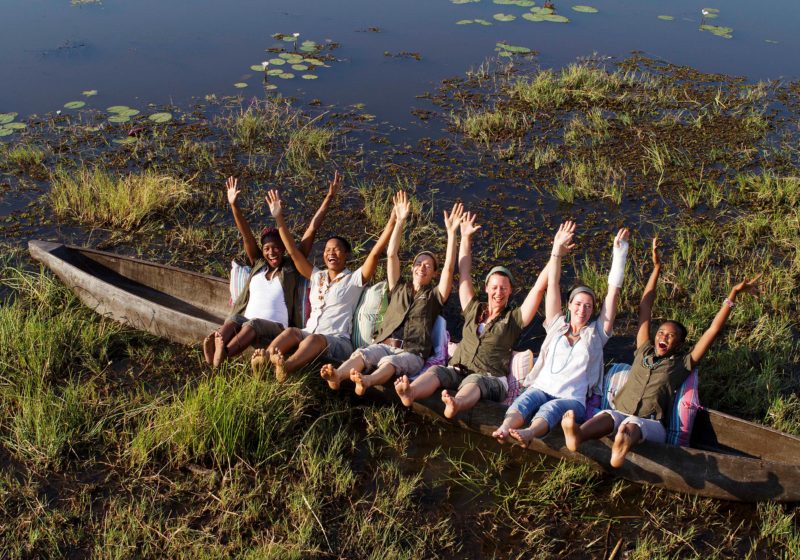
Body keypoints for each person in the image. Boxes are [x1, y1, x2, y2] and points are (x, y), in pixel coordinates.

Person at [561, 237, 761, 467]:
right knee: (607, 417)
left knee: (629, 428)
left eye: (670, 335)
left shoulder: (683, 363)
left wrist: (733, 295)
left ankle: (620, 448)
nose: (663, 337)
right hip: (620, 411)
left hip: (650, 424)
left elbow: (713, 330)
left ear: (678, 343)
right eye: (661, 332)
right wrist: (656, 269)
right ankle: (578, 434)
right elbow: (645, 307)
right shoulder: (643, 349)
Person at [394, 212, 549, 419]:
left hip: (490, 379)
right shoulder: (473, 308)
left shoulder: (513, 319)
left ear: (510, 291)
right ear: (486, 288)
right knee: (438, 372)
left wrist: (555, 253)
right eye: (494, 287)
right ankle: (410, 392)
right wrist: (465, 237)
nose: (498, 292)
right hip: (459, 369)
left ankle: (456, 403)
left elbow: (538, 289)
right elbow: (464, 273)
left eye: (504, 288)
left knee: (474, 382)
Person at [492, 221, 630, 446]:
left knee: (552, 407)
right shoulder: (557, 325)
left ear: (593, 310)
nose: (582, 310)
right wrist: (557, 249)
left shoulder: (596, 334)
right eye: (577, 304)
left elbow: (613, 294)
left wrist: (619, 254)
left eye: (588, 306)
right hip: (541, 386)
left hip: (572, 399)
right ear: (569, 306)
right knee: (527, 398)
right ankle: (504, 428)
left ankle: (529, 434)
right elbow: (553, 282)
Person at [319, 192, 463, 393]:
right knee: (363, 354)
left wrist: (452, 233)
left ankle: (367, 381)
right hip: (384, 343)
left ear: (434, 273)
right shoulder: (398, 287)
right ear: (412, 268)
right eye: (419, 263)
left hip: (411, 353)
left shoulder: (435, 296)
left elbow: (449, 268)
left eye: (428, 266)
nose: (422, 267)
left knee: (390, 362)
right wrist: (400, 220)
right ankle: (338, 375)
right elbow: (391, 254)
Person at [252, 188, 395, 381]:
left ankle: (286, 366)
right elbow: (293, 253)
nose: (331, 254)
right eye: (327, 250)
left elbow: (376, 253)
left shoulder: (354, 279)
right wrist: (279, 217)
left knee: (312, 338)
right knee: (292, 332)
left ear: (346, 255)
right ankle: (266, 358)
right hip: (310, 334)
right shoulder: (317, 276)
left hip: (337, 341)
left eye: (337, 250)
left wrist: (393, 220)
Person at [203, 174, 339, 367]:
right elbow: (246, 235)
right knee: (233, 319)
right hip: (244, 319)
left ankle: (223, 353)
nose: (271, 252)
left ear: (283, 248)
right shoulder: (258, 264)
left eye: (276, 247)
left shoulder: (290, 267)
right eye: (267, 249)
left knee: (253, 324)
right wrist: (234, 205)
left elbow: (312, 229)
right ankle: (216, 342)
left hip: (275, 327)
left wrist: (329, 197)